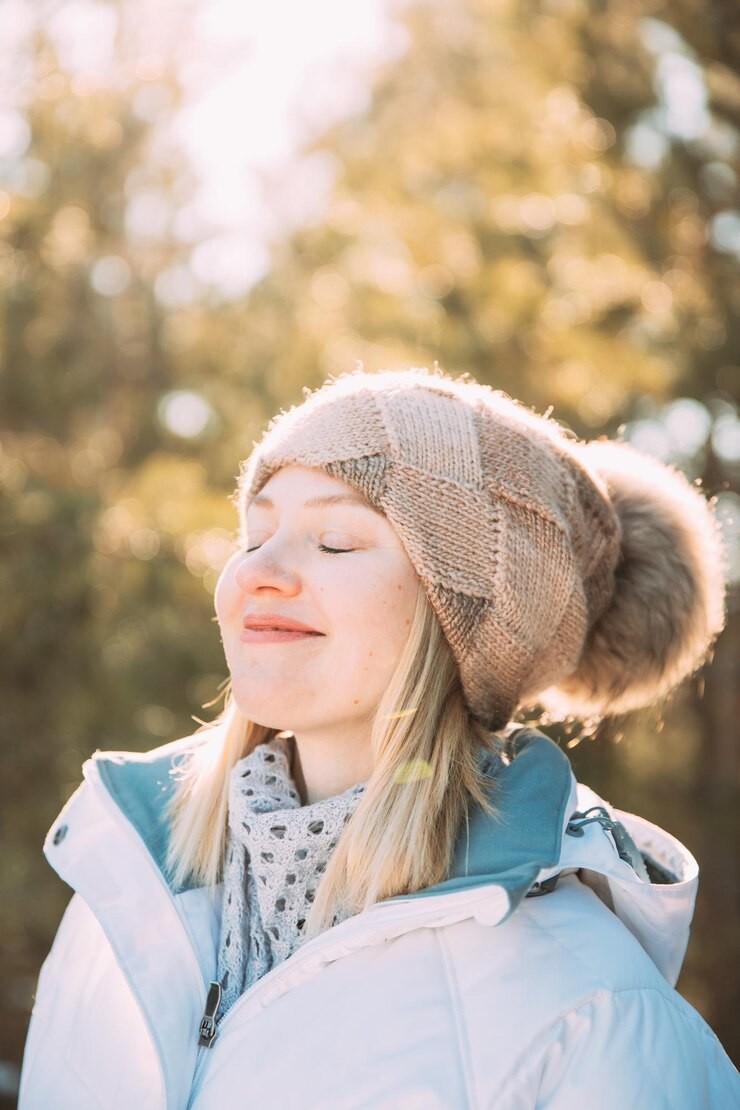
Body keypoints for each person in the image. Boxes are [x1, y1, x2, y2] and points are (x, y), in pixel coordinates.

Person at [20, 367, 740, 1108]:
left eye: (335, 541)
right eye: (257, 532)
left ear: (467, 627)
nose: (257, 571)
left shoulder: (594, 1012)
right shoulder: (122, 886)